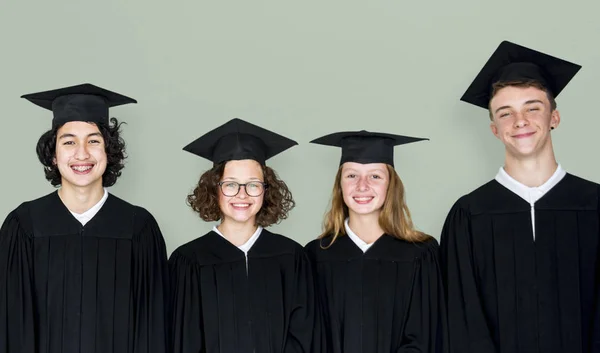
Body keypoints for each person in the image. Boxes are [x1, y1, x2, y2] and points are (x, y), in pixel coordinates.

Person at [440, 40, 600, 353]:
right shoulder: (469, 215)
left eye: (532, 108)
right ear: (494, 130)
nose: (520, 121)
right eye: (506, 113)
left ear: (554, 117)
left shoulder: (594, 204)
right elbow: (461, 319)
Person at [0, 83, 169, 353]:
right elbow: (11, 325)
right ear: (53, 156)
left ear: (108, 152)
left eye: (93, 140)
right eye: (68, 142)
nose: (82, 153)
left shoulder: (138, 227)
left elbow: (153, 328)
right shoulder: (24, 225)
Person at [169, 118, 318, 353]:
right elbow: (183, 340)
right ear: (214, 189)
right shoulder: (188, 261)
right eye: (230, 185)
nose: (242, 195)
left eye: (253, 184)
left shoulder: (291, 257)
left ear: (266, 190)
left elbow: (305, 336)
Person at [305, 130, 447, 353]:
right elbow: (311, 336)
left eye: (375, 176)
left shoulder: (421, 253)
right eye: (351, 175)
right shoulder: (316, 255)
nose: (362, 186)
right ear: (339, 185)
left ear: (390, 185)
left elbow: (426, 336)